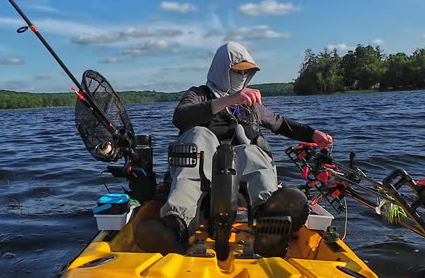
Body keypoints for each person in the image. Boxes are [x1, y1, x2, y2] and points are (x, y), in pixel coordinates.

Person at [135, 41, 333, 255]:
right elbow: (181, 117)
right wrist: (228, 100)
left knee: (251, 150)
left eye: (246, 73)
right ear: (222, 70)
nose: (242, 77)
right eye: (237, 72)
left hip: (240, 176)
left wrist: (312, 134)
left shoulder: (250, 105)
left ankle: (269, 219)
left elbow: (280, 123)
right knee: (198, 136)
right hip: (202, 171)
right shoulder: (198, 94)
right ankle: (176, 227)